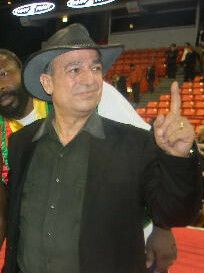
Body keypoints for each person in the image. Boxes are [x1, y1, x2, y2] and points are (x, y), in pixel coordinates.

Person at [5, 24, 202, 273]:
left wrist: (179, 158)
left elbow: (177, 213)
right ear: (47, 83)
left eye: (95, 68)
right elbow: (18, 225)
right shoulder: (21, 143)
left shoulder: (136, 143)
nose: (89, 79)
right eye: (74, 69)